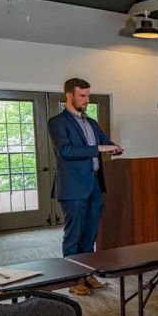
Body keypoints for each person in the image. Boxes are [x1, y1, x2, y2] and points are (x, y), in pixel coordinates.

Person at [49, 77, 123, 296]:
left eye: (88, 95)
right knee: (74, 235)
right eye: (82, 95)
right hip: (72, 187)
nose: (87, 100)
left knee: (90, 234)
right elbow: (66, 152)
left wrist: (112, 148)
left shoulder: (91, 123)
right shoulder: (57, 122)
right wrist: (98, 148)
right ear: (69, 96)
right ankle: (73, 279)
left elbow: (103, 142)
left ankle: (87, 274)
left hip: (94, 184)